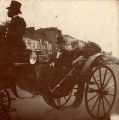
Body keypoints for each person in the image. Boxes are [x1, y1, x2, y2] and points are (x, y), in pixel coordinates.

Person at [0, 0, 26, 84]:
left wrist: (4, 42)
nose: (8, 11)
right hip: (9, 47)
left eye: (9, 10)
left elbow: (16, 36)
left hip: (15, 47)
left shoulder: (20, 21)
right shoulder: (11, 22)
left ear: (13, 11)